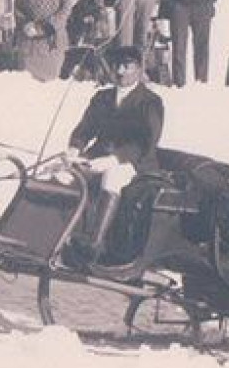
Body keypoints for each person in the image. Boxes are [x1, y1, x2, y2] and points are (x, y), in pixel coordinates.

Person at [63, 46, 165, 264]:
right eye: (117, 65)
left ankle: (95, 243)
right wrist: (75, 147)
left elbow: (146, 142)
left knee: (113, 177)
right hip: (98, 157)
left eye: (127, 66)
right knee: (65, 174)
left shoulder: (150, 102)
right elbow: (85, 128)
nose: (120, 71)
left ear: (139, 69)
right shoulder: (102, 97)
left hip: (135, 163)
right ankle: (65, 236)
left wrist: (114, 159)